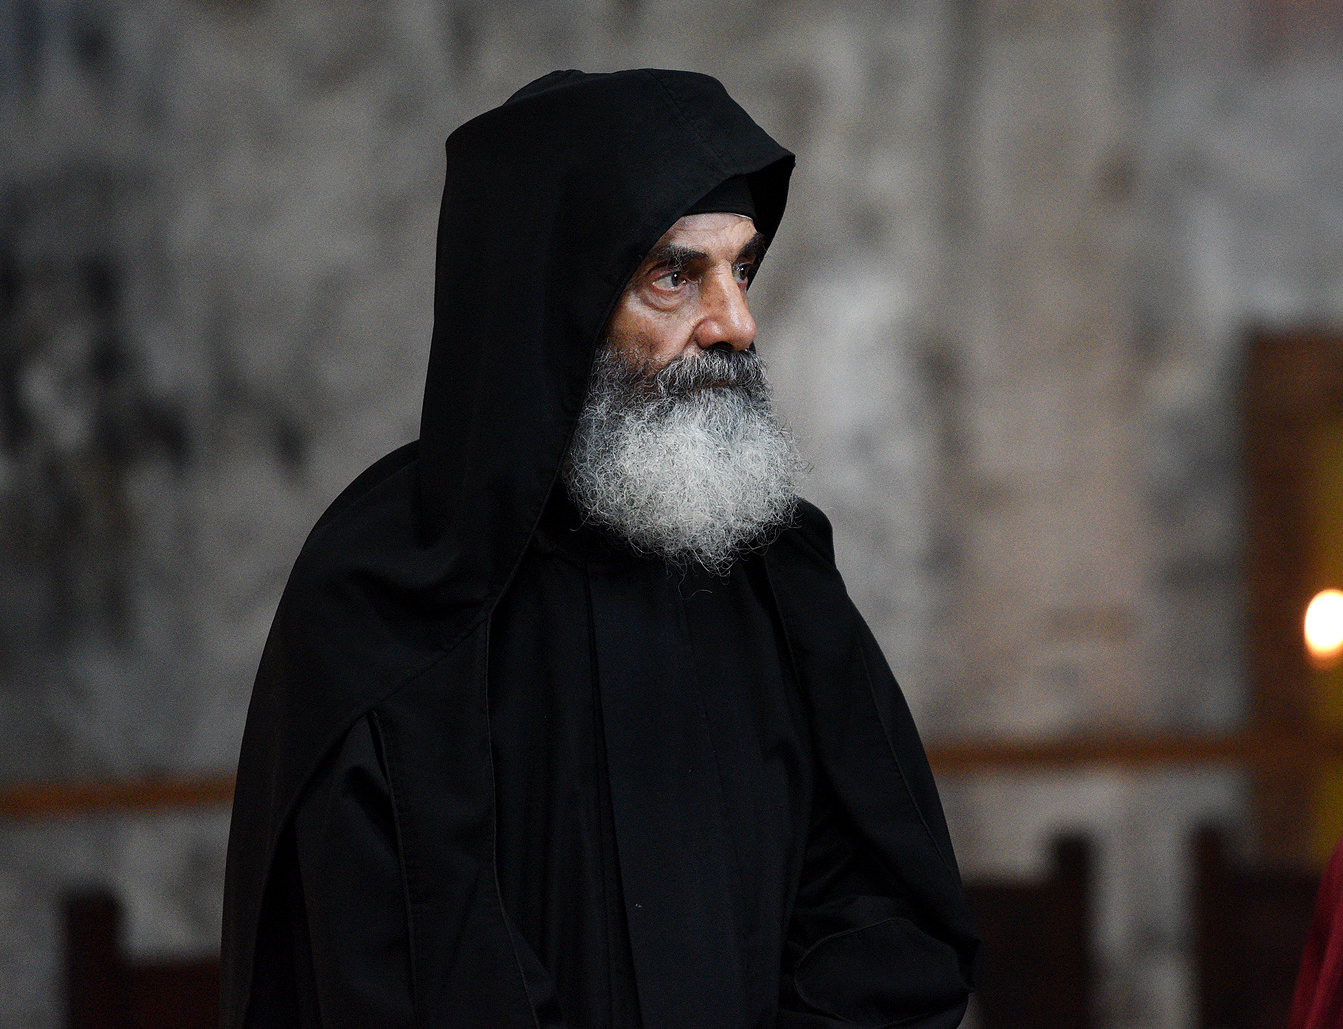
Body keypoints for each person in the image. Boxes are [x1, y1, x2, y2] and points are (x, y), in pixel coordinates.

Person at [220, 70, 977, 1029]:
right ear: (552, 302)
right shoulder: (380, 600)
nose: (736, 324)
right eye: (676, 275)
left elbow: (888, 917)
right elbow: (391, 980)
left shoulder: (777, 574)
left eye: (741, 271)